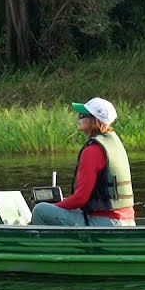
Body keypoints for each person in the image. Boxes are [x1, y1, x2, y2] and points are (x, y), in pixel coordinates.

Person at [30, 97, 135, 226]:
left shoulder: (92, 151)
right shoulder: (114, 144)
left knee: (40, 210)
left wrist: (56, 206)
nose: (78, 119)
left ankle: (42, 245)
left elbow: (81, 198)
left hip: (105, 222)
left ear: (94, 120)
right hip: (127, 221)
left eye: (82, 115)